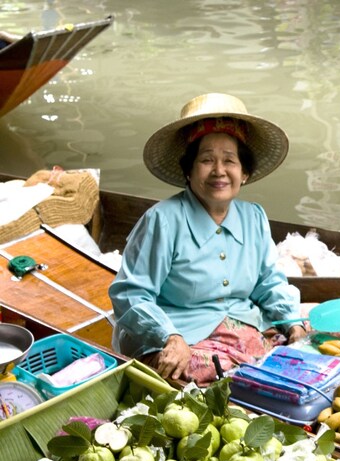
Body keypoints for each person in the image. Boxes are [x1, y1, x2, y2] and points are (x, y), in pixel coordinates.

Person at [109, 93, 307, 384]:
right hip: (179, 336)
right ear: (189, 170)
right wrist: (170, 336)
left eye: (230, 160)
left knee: (296, 354)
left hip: (241, 326)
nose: (219, 171)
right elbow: (130, 294)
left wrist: (292, 323)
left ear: (245, 173)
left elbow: (268, 282)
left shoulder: (254, 216)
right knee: (213, 375)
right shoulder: (163, 220)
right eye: (206, 160)